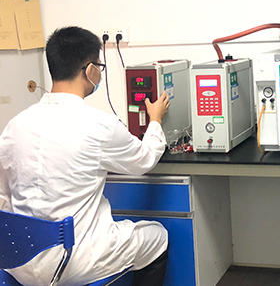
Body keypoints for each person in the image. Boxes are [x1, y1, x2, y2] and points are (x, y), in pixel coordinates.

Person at [0, 26, 171, 286]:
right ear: (90, 70)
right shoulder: (99, 125)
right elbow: (145, 159)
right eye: (100, 67)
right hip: (72, 261)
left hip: (18, 261)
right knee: (157, 236)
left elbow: (4, 196)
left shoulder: (15, 125)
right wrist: (155, 120)